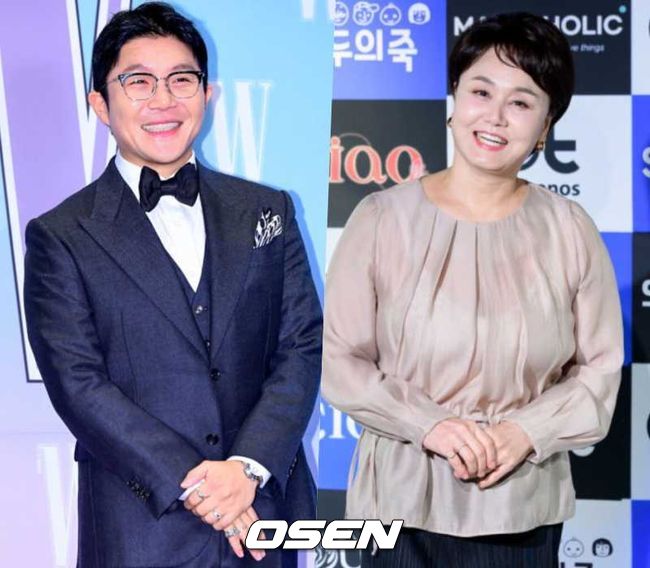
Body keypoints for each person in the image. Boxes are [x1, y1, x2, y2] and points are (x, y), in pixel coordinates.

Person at [23, 3, 322, 567]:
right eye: (138, 82)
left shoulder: (268, 210)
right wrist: (202, 486)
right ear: (100, 104)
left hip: (259, 515)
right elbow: (79, 385)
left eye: (181, 80)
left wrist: (246, 469)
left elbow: (300, 347)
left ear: (207, 94)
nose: (163, 100)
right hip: (140, 524)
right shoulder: (61, 235)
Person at [322, 12, 623, 568]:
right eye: (481, 91)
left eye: (522, 102)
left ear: (546, 126)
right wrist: (430, 425)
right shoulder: (381, 218)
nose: (495, 116)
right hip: (398, 507)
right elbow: (340, 362)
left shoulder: (569, 229)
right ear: (455, 98)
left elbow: (599, 371)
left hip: (522, 508)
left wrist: (525, 432)